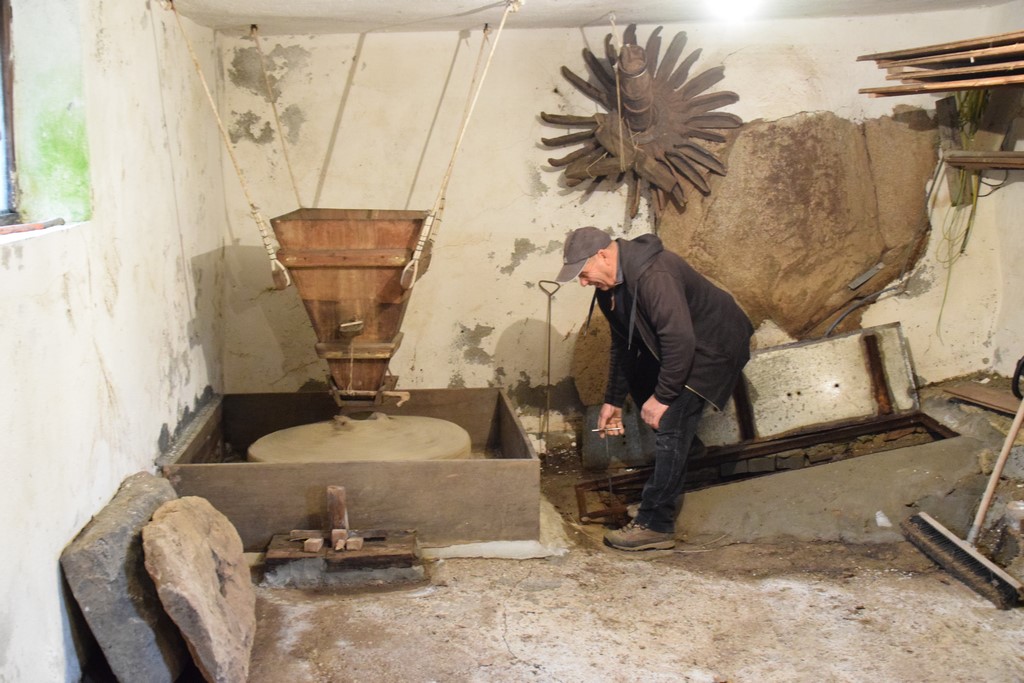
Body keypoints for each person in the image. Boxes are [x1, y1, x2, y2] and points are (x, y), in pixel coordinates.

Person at [554, 226, 753, 551]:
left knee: (671, 420)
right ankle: (686, 454)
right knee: (643, 383)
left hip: (713, 344)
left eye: (584, 272)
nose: (582, 282)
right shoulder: (610, 289)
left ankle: (655, 524)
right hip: (683, 343)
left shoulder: (654, 275)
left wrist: (663, 398)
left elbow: (680, 340)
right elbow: (623, 345)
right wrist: (613, 401)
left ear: (602, 255)